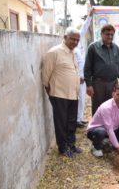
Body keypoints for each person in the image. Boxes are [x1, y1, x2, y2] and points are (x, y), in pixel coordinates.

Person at [41, 27, 82, 158]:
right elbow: (45, 75)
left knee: (71, 121)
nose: (75, 42)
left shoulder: (73, 53)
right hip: (59, 94)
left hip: (73, 94)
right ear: (65, 37)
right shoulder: (54, 52)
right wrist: (50, 91)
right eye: (72, 39)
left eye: (77, 40)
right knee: (61, 122)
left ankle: (71, 145)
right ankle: (63, 148)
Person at [86, 84, 119, 160]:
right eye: (118, 94)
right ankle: (95, 146)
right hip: (96, 130)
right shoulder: (106, 107)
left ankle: (111, 142)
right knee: (101, 132)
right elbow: (109, 130)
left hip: (112, 128)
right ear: (113, 94)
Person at [84, 24, 119, 115]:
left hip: (113, 83)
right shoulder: (93, 47)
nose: (110, 37)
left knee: (112, 106)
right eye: (107, 34)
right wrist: (88, 85)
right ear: (101, 34)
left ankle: (110, 126)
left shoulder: (116, 48)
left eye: (111, 35)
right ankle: (97, 128)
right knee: (98, 107)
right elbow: (87, 68)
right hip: (98, 84)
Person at [76, 9, 93, 128]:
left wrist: (90, 16)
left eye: (77, 38)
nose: (76, 39)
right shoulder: (72, 48)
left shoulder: (79, 44)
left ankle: (79, 118)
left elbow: (84, 28)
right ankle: (76, 120)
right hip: (76, 78)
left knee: (82, 99)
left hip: (83, 78)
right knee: (76, 99)